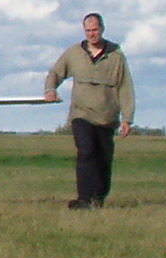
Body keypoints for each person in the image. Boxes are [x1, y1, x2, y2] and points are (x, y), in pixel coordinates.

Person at [44, 13, 135, 209]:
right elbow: (55, 73)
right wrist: (50, 89)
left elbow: (125, 88)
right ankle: (83, 198)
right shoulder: (74, 53)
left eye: (95, 30)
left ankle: (99, 197)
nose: (92, 34)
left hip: (106, 117)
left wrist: (127, 118)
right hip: (81, 114)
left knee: (103, 158)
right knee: (86, 153)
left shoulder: (116, 56)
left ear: (102, 29)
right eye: (88, 31)